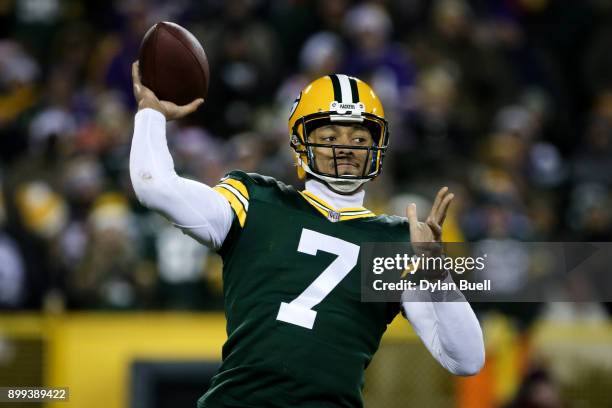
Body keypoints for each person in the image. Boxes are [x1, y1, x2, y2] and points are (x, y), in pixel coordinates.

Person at [129, 62, 484, 407]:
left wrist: (435, 271)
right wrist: (151, 112)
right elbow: (155, 188)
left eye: (359, 137)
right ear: (301, 142)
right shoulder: (256, 201)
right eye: (330, 136)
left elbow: (467, 360)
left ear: (377, 146)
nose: (346, 147)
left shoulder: (394, 242)